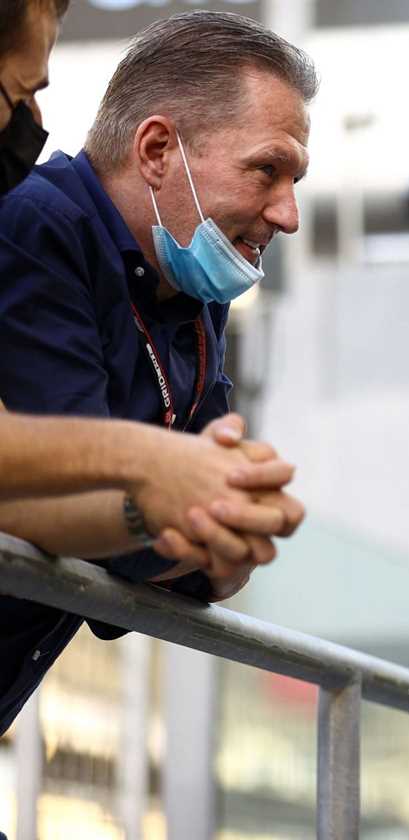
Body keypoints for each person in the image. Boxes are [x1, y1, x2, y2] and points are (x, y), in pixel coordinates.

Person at [0, 7, 315, 737]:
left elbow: (203, 561)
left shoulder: (196, 294)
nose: (290, 214)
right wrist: (176, 497)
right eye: (267, 169)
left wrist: (213, 526)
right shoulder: (34, 225)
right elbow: (59, 505)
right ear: (156, 150)